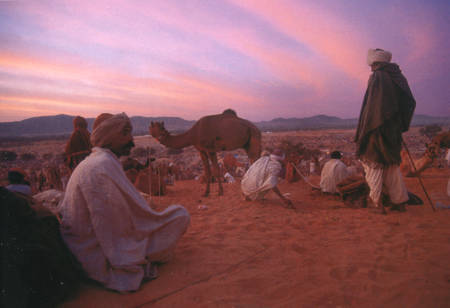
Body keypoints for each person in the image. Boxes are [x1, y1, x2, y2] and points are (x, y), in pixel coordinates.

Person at [58, 113, 190, 292]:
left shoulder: (101, 161)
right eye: (125, 133)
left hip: (89, 244)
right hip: (95, 252)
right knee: (180, 216)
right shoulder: (101, 167)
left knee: (173, 216)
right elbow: (109, 227)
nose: (131, 139)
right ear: (109, 138)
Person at [355, 48, 416, 214]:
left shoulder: (378, 77)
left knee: (373, 164)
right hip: (392, 129)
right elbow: (409, 102)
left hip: (377, 129)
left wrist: (365, 130)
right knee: (391, 165)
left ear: (376, 63)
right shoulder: (397, 76)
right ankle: (400, 202)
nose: (371, 67)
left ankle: (377, 204)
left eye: (372, 64)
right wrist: (398, 124)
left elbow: (373, 108)